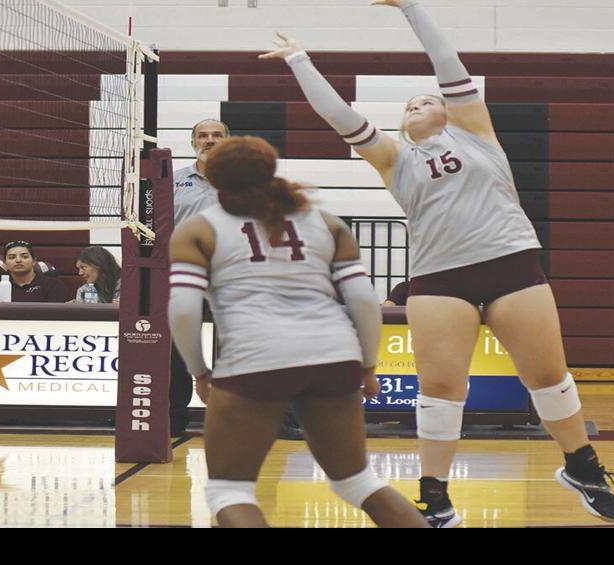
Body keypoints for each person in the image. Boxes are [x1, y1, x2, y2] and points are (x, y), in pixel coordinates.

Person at [262, 0, 614, 526]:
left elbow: (446, 61)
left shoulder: (474, 130)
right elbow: (340, 116)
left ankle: (582, 466)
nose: (417, 104)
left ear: (448, 110)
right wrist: (300, 60)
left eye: (427, 99)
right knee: (441, 390)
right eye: (408, 104)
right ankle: (435, 497)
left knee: (548, 376)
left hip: (510, 262)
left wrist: (410, 7)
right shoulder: (393, 159)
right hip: (439, 279)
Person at [167, 135, 429, 528]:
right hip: (334, 355)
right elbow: (361, 301)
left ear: (214, 180)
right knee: (358, 482)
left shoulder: (198, 230)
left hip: (256, 358)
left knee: (230, 491)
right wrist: (369, 365)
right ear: (271, 171)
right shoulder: (325, 221)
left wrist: (199, 371)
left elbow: (184, 310)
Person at [170, 119, 230, 434]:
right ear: (193, 142)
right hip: (184, 272)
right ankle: (173, 420)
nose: (209, 140)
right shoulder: (173, 182)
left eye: (216, 135)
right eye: (202, 136)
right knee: (177, 349)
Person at [0, 241, 72, 303]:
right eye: (12, 257)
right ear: (5, 264)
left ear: (34, 261)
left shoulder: (53, 285)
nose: (18, 260)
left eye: (24, 256)